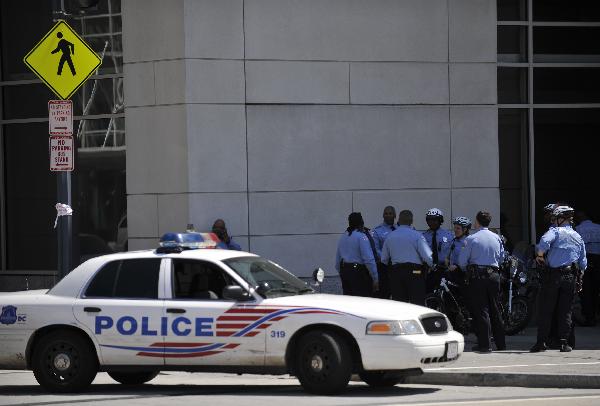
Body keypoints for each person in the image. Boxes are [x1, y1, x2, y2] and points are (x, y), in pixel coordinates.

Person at [531, 206, 587, 353]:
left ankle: (541, 342)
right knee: (566, 312)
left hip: (553, 277)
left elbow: (543, 242)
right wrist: (580, 279)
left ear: (561, 218)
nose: (554, 221)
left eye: (555, 218)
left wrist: (540, 255)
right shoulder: (577, 236)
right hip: (570, 277)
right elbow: (583, 262)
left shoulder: (555, 231)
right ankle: (564, 343)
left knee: (546, 310)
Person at [458, 211, 506, 353]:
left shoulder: (472, 238)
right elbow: (502, 258)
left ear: (477, 222)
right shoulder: (496, 237)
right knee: (495, 310)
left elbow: (462, 261)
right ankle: (501, 344)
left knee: (482, 310)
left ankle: (485, 344)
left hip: (478, 277)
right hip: (494, 276)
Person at [381, 210, 433, 305]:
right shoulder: (417, 235)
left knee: (400, 305)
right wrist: (433, 266)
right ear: (411, 221)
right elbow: (428, 257)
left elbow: (384, 259)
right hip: (415, 273)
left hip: (396, 273)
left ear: (399, 221)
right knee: (417, 304)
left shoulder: (390, 236)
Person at [335, 212, 378, 297]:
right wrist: (375, 278)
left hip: (345, 271)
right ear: (361, 223)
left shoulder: (344, 236)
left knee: (349, 301)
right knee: (362, 301)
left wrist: (342, 273)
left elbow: (337, 260)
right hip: (358, 273)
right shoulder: (361, 237)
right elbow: (369, 259)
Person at [575, 211, 600, 326]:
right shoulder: (598, 227)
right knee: (596, 289)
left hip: (585, 259)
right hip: (598, 259)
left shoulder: (578, 228)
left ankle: (589, 317)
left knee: (585, 290)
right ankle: (595, 314)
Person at [423, 208, 453, 292]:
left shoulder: (448, 235)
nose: (432, 222)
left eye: (435, 220)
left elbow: (452, 253)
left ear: (440, 220)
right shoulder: (423, 236)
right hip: (429, 271)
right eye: (430, 220)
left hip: (444, 270)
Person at [372, 206, 397, 298]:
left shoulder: (399, 229)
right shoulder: (377, 231)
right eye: (386, 213)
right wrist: (386, 258)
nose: (388, 215)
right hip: (384, 267)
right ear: (383, 215)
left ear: (395, 215)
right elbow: (376, 249)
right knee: (384, 294)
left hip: (398, 266)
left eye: (390, 213)